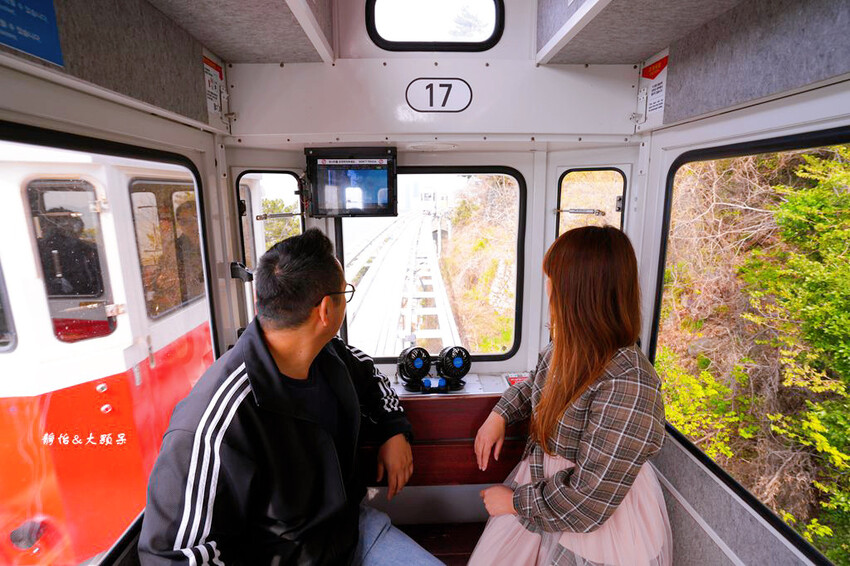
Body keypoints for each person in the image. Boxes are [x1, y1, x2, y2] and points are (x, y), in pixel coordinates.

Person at [139, 228, 442, 565]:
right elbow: (171, 556)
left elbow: (371, 373)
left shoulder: (330, 356)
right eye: (346, 293)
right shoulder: (217, 420)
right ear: (327, 311)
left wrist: (393, 428)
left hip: (350, 535)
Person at [469, 226, 672, 566]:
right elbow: (537, 385)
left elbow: (589, 500)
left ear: (576, 291)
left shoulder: (629, 383)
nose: (547, 288)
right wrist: (499, 415)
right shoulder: (566, 349)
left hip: (596, 522)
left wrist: (514, 503)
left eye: (553, 279)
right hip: (547, 496)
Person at [174, 201, 205, 302]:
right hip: (188, 300)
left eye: (193, 220)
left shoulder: (212, 241)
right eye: (184, 222)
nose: (190, 226)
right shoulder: (175, 247)